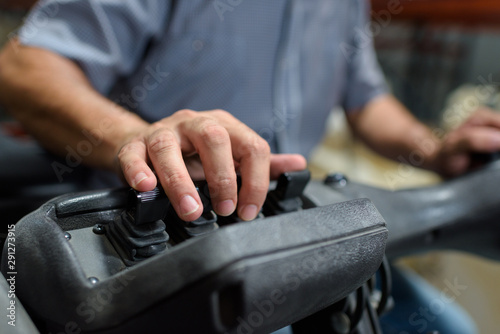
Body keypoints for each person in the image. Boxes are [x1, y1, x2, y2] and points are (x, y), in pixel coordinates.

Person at [0, 0, 495, 332]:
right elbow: (25, 67)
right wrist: (134, 135)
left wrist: (431, 148)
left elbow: (367, 100)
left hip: (297, 227)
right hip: (160, 246)